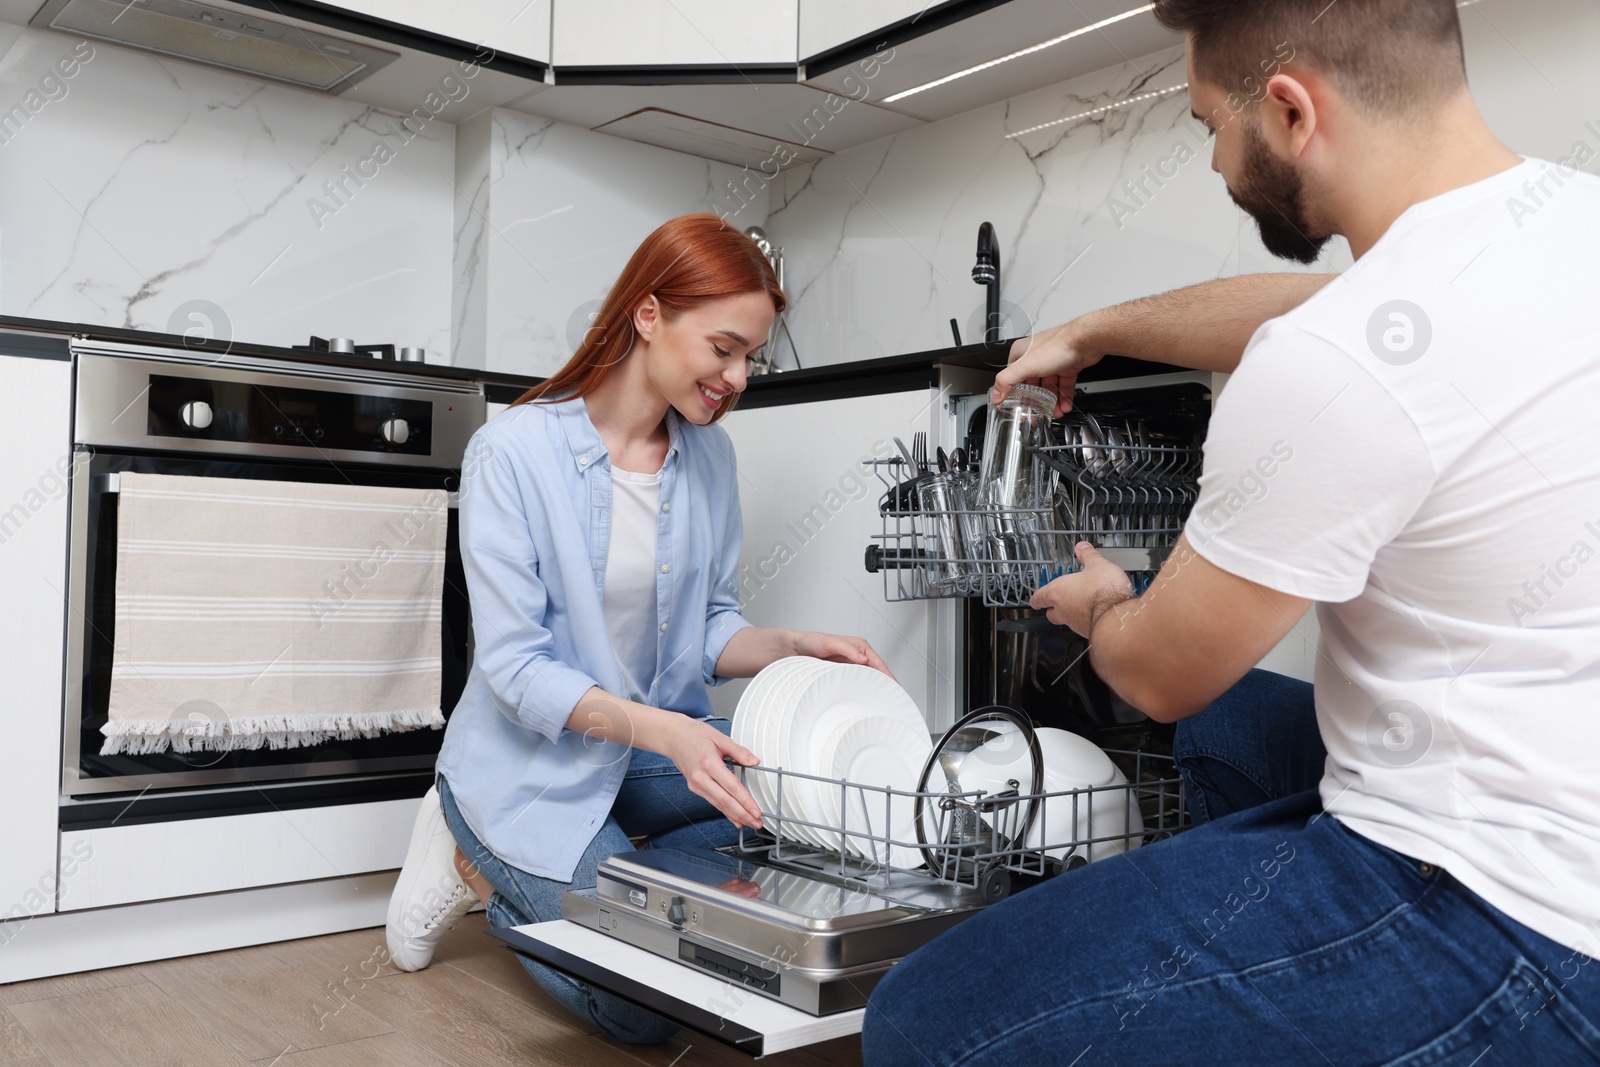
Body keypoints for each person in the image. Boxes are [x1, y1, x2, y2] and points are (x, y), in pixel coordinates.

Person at [864, 0, 1600, 1062]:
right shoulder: (1544, 228)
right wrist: (1093, 329)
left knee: (922, 1021)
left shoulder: (1341, 363)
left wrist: (1106, 599)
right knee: (1232, 729)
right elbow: (1320, 312)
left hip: (1510, 921)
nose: (1213, 158)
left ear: (1292, 109)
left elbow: (1160, 678)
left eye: (1211, 121)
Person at [384, 214, 891, 1044]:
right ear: (648, 314)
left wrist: (792, 647)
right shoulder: (510, 452)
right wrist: (673, 735)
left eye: (752, 357)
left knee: (804, 814)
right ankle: (477, 864)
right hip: (528, 760)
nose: (738, 377)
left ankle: (607, 874)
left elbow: (708, 631)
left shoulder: (710, 459)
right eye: (724, 348)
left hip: (642, 749)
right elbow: (514, 671)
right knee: (645, 1009)